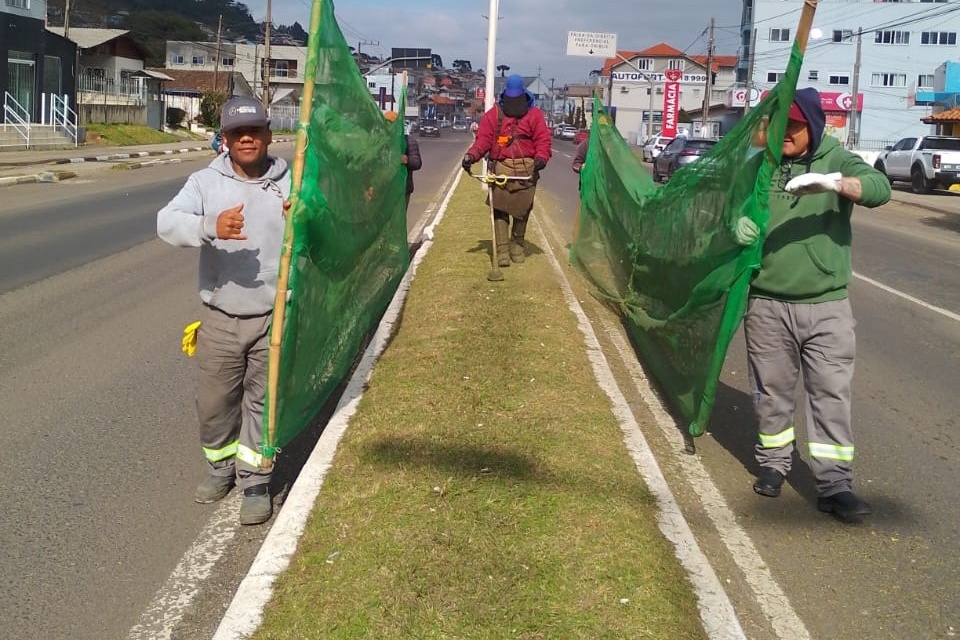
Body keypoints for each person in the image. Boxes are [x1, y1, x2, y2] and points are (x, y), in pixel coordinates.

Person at [732, 87, 892, 522]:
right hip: (767, 302)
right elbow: (732, 205)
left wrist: (833, 183)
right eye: (781, 123)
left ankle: (834, 485)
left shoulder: (836, 158)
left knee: (830, 394)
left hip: (826, 306)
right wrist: (737, 223)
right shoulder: (761, 163)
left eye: (796, 125)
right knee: (771, 392)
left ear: (815, 125)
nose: (786, 133)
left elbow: (880, 189)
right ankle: (773, 463)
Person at [157, 96, 291, 526]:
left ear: (268, 135)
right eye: (237, 133)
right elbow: (166, 222)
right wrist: (208, 226)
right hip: (220, 316)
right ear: (226, 139)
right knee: (214, 403)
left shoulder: (292, 179)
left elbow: (327, 226)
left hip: (275, 316)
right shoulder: (204, 183)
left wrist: (307, 213)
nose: (246, 138)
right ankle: (220, 469)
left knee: (263, 403)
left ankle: (255, 481)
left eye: (254, 131)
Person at [462, 74, 552, 266]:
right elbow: (483, 140)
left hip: (526, 170)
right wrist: (471, 156)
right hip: (501, 169)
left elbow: (543, 140)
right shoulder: (493, 115)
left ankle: (517, 245)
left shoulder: (534, 115)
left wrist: (541, 158)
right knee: (500, 211)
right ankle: (502, 251)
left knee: (523, 211)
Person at [384, 110, 422, 208]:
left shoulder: (409, 142)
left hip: (403, 189)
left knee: (399, 218)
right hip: (384, 190)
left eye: (391, 124)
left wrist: (406, 160)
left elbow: (417, 163)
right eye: (386, 124)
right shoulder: (381, 142)